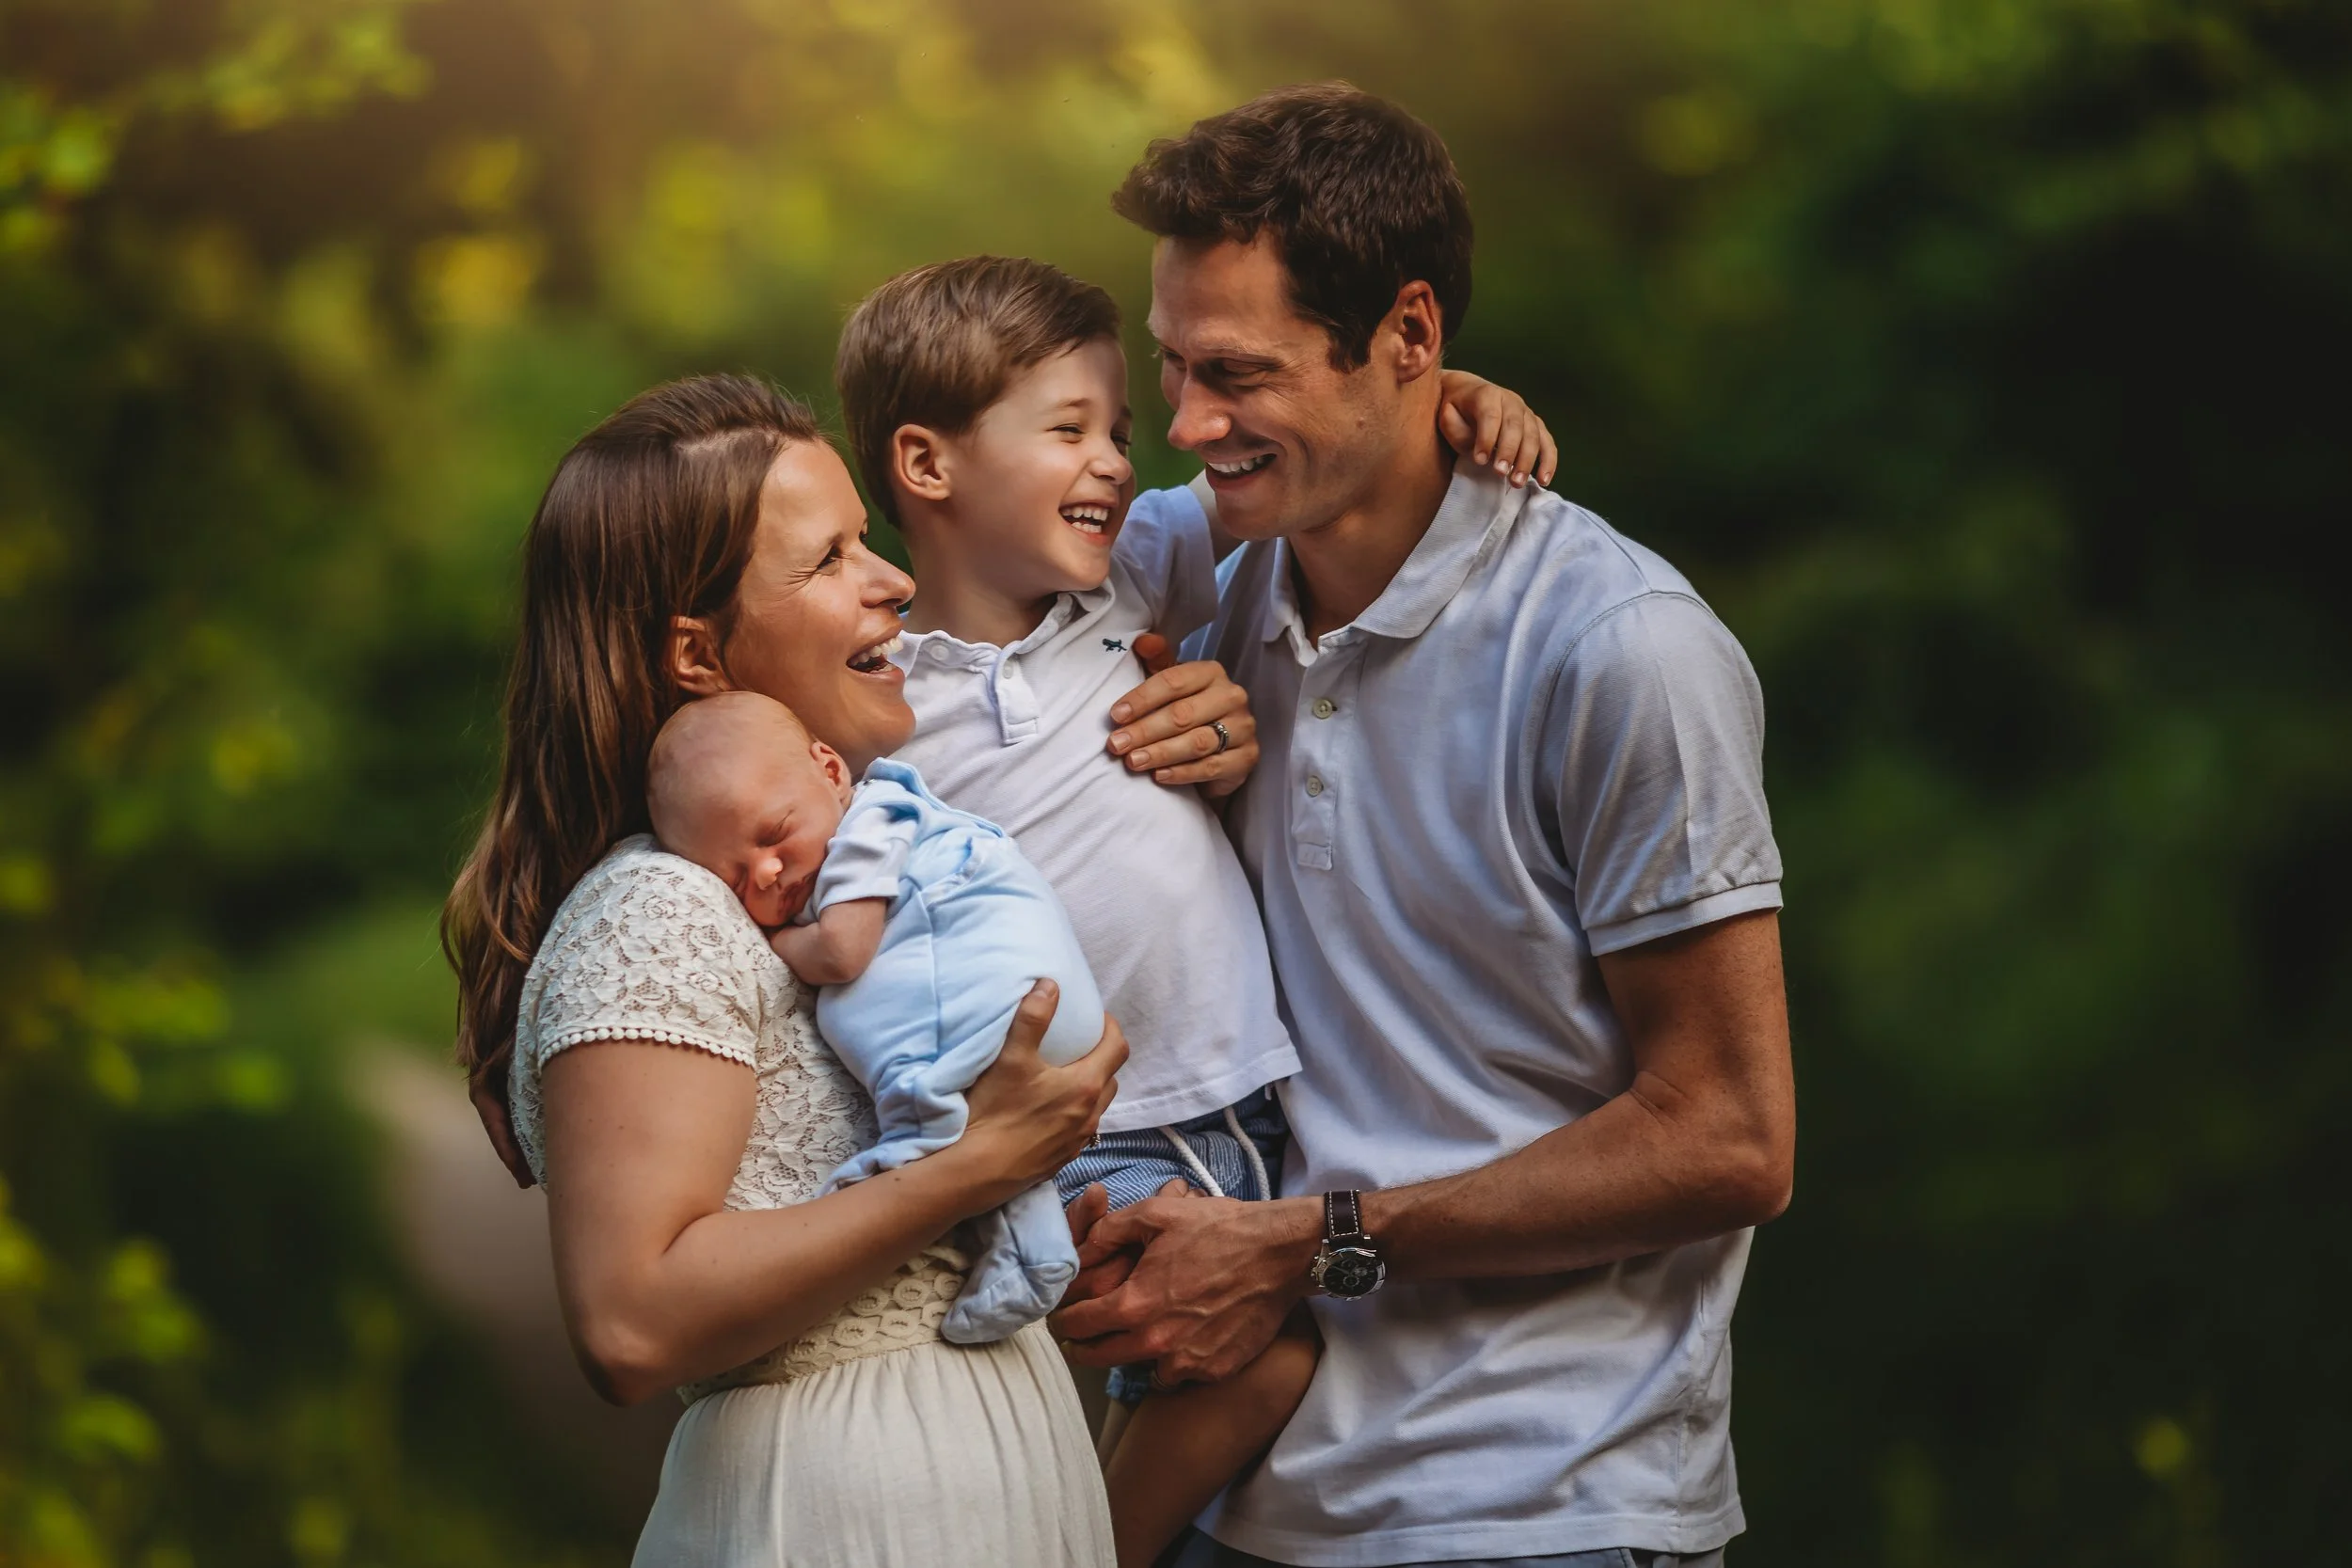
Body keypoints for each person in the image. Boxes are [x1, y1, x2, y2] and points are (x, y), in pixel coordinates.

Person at [1055, 85, 1798, 1568]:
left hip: (1540, 1502)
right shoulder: (1208, 580)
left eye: (1238, 374)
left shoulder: (1622, 649)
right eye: (1173, 367)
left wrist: (1305, 1240)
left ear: (1407, 334)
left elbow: (1730, 1136)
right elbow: (915, 619)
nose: (1189, 424)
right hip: (1240, 1493)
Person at [439, 372, 1249, 1565]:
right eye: (827, 561)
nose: (896, 581)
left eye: (867, 541)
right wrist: (972, 1167)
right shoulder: (657, 906)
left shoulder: (850, 864)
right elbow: (629, 1320)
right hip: (827, 1514)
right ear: (697, 652)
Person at [834, 252, 1555, 1567]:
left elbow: (1344, 445)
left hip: (1232, 1089)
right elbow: (715, 784)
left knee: (1230, 1360)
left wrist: (1458, 392)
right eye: (1070, 432)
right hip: (1073, 1115)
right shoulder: (874, 687)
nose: (1119, 459)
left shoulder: (1134, 573)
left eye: (1117, 426)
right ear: (927, 467)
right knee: (1230, 1360)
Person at [644, 689, 1106, 1343]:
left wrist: (777, 944)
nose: (769, 871)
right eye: (737, 880)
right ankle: (1033, 1248)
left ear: (831, 771)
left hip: (1006, 1001)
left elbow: (842, 948)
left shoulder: (872, 818)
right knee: (969, 1130)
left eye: (774, 835)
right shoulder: (837, 834)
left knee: (916, 1143)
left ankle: (896, 1184)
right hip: (1032, 1020)